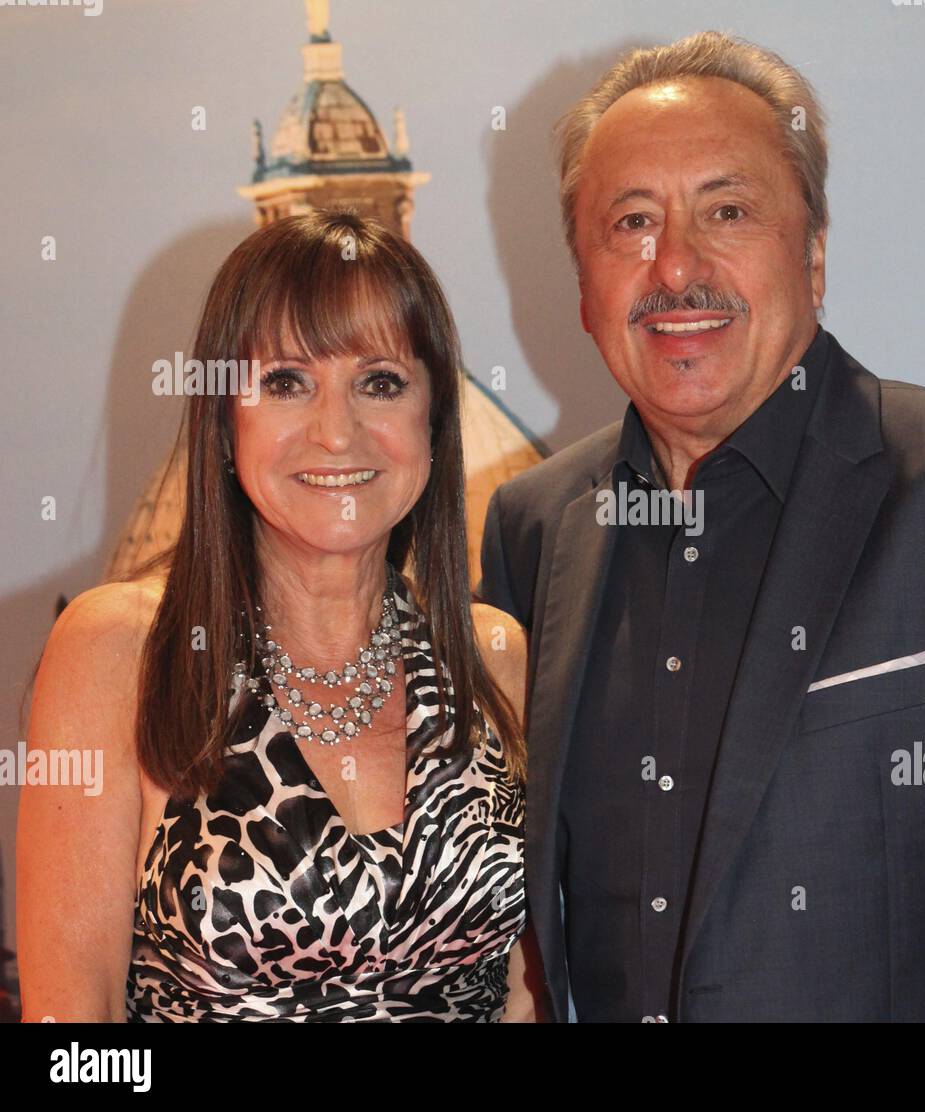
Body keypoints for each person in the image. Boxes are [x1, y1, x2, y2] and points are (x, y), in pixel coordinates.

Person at [477, 30, 925, 1022]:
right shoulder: (534, 528)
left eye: (727, 211)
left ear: (814, 254)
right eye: (631, 222)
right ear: (582, 284)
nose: (675, 265)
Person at [19, 210, 545, 1022]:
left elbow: (522, 994)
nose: (337, 433)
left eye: (380, 382)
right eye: (285, 382)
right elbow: (70, 1030)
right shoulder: (120, 653)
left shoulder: (495, 658)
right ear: (225, 426)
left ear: (435, 424)